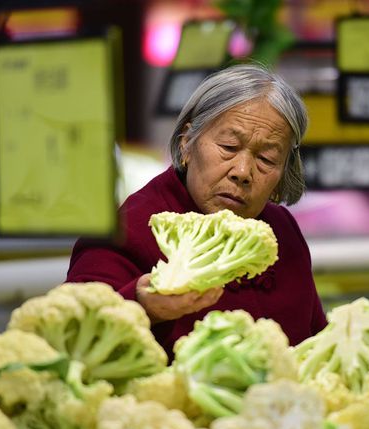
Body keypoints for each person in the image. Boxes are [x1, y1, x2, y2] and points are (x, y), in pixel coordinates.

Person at [66, 64, 327, 356]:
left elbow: (316, 340)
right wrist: (142, 306)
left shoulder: (281, 230)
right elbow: (73, 339)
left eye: (266, 159)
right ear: (187, 142)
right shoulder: (126, 230)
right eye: (229, 146)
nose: (242, 171)